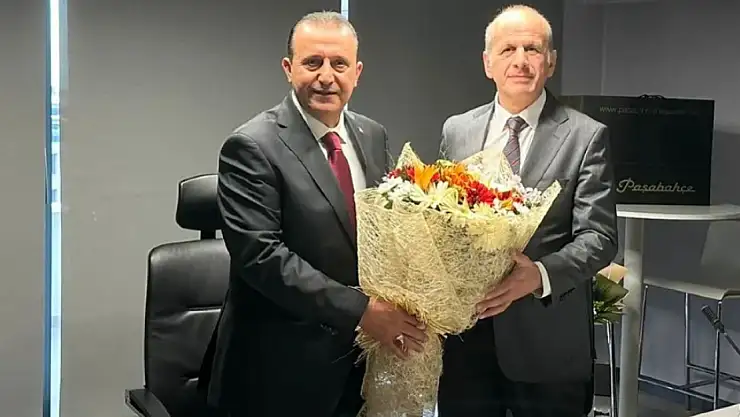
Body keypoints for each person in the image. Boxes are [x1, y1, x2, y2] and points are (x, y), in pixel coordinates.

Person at [198, 11, 427, 417]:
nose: (326, 77)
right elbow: (261, 258)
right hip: (279, 373)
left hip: (358, 366)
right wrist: (362, 312)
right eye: (312, 62)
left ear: (357, 73)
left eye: (339, 64)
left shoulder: (372, 135)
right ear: (289, 69)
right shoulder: (251, 146)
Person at [436, 5, 618, 417]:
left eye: (532, 49)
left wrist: (538, 275)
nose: (520, 60)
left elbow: (600, 238)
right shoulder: (457, 130)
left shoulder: (586, 136)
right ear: (488, 63)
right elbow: (443, 221)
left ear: (550, 61)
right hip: (468, 342)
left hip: (548, 347)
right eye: (508, 50)